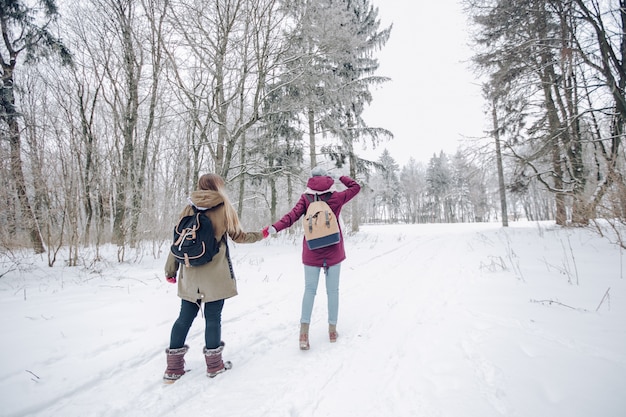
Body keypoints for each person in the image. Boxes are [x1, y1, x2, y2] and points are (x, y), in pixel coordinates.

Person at [163, 173, 265, 383]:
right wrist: (261, 234)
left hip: (190, 272)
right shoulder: (224, 206)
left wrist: (170, 270)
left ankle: (173, 369)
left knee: (184, 317)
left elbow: (178, 241)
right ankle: (214, 366)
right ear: (218, 187)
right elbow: (240, 236)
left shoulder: (188, 207)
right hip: (215, 274)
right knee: (212, 317)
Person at [263, 166, 361, 350]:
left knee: (309, 291)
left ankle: (303, 335)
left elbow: (291, 217)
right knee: (333, 291)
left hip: (312, 249)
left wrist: (274, 228)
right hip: (334, 249)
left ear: (311, 179)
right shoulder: (336, 197)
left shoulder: (306, 198)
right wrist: (340, 177)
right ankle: (332, 331)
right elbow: (356, 187)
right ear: (326, 178)